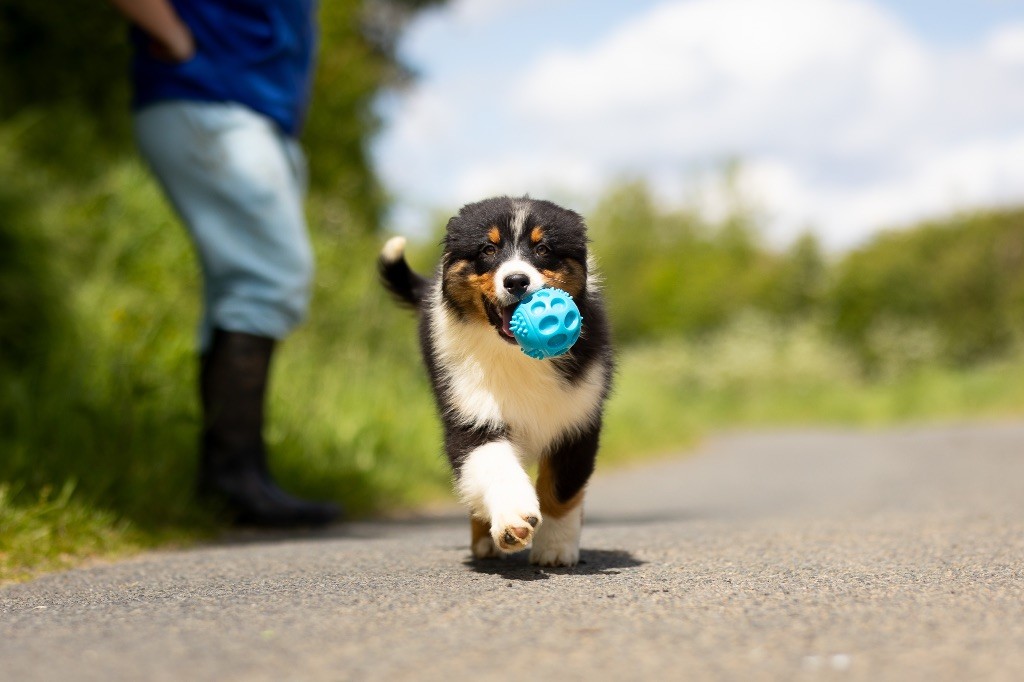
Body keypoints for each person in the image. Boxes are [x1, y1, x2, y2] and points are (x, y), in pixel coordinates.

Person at [108, 0, 340, 526]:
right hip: (210, 97)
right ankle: (233, 478)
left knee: (239, 290)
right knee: (270, 278)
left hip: (249, 110)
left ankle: (234, 480)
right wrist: (173, 36)